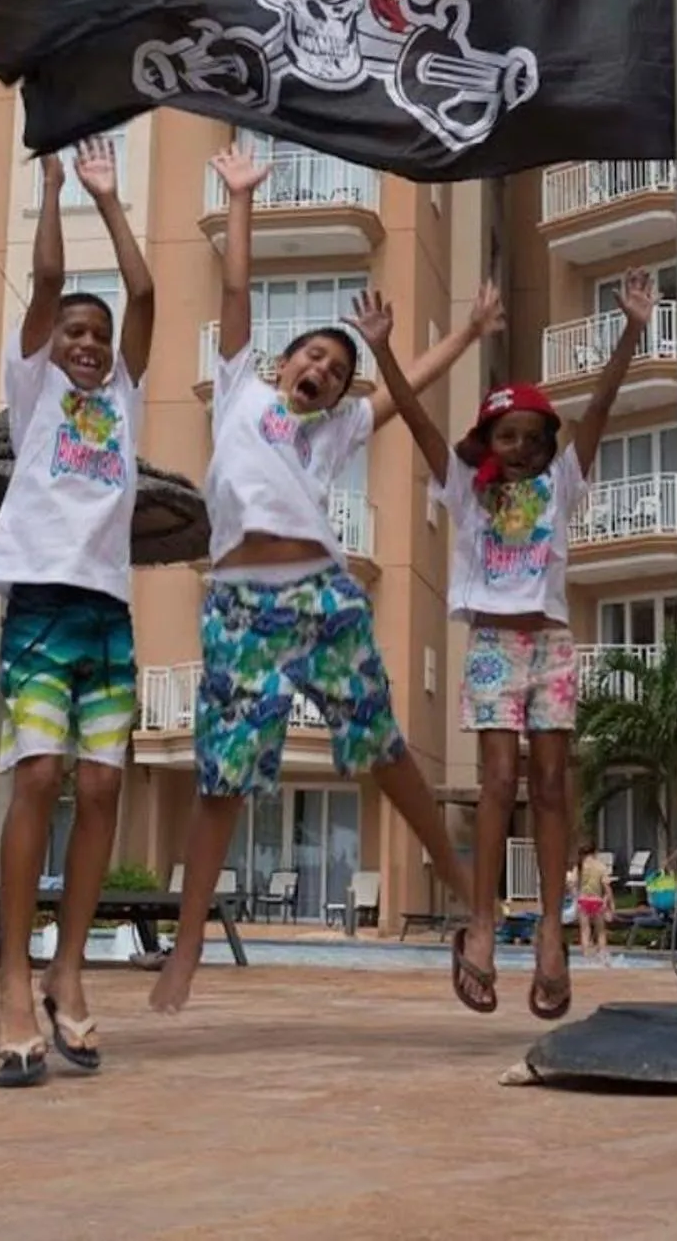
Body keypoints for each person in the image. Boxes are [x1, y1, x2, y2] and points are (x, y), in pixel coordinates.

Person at [149, 146, 492, 1015]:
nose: (322, 372)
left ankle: (467, 898)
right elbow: (234, 290)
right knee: (223, 778)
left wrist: (461, 334)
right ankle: (186, 950)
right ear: (282, 362)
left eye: (336, 372)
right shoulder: (239, 392)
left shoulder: (336, 432)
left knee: (383, 750)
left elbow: (408, 385)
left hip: (320, 598)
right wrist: (238, 200)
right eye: (312, 359)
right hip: (237, 605)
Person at [364, 267, 654, 1020]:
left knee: (555, 786)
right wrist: (383, 351)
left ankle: (552, 936)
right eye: (507, 435)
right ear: (486, 439)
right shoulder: (467, 489)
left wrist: (630, 328)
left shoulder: (561, 483)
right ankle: (484, 926)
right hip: (494, 643)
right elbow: (423, 426)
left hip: (551, 645)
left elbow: (601, 405)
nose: (521, 447)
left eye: (532, 437)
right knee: (497, 782)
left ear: (548, 446)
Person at [0, 138, 154, 1088]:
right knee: (38, 773)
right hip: (42, 602)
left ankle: (68, 967)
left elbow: (149, 296)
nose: (86, 342)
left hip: (110, 612)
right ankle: (13, 978)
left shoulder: (123, 394)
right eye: (73, 332)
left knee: (99, 790)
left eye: (99, 333)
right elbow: (47, 277)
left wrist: (114, 200)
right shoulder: (35, 388)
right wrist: (52, 186)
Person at [571, 841, 611, 967]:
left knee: (585, 931)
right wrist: (606, 901)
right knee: (600, 931)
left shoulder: (579, 866)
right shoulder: (600, 866)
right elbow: (606, 887)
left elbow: (572, 884)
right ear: (595, 852)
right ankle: (603, 958)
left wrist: (576, 898)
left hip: (583, 901)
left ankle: (587, 959)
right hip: (597, 901)